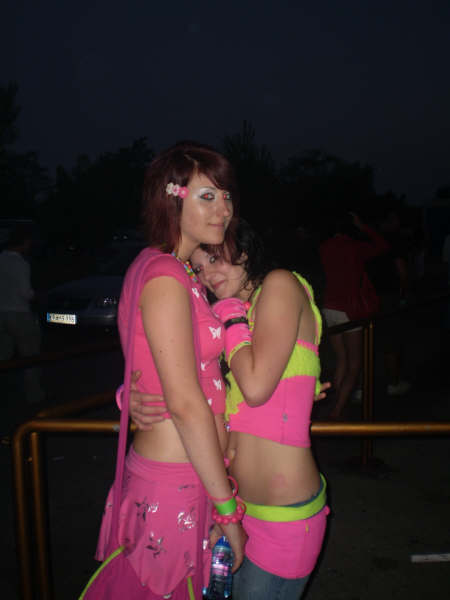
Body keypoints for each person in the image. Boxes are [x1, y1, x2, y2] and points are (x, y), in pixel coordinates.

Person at [129, 219, 330, 599]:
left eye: (215, 259)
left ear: (244, 252)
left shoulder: (279, 284)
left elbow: (254, 387)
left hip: (284, 516)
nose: (208, 275)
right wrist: (129, 394)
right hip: (232, 508)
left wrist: (232, 315)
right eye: (199, 268)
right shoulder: (236, 316)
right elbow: (187, 377)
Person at [94, 142, 247, 599]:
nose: (224, 209)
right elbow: (183, 403)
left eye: (226, 196)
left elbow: (156, 363)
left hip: (191, 471)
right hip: (173, 479)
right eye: (207, 196)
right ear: (171, 199)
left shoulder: (176, 270)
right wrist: (228, 512)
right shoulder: (164, 275)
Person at [319, 211, 389, 418]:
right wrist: (363, 226)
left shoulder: (324, 247)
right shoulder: (354, 247)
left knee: (341, 359)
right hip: (350, 309)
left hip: (329, 307)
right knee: (355, 364)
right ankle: (337, 411)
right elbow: (382, 246)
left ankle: (332, 404)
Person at [0, 223, 45, 404]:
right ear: (25, 242)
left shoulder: (1, 259)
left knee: (3, 356)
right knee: (30, 356)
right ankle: (34, 395)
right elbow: (26, 293)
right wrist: (37, 295)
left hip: (1, 313)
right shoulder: (20, 263)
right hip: (19, 313)